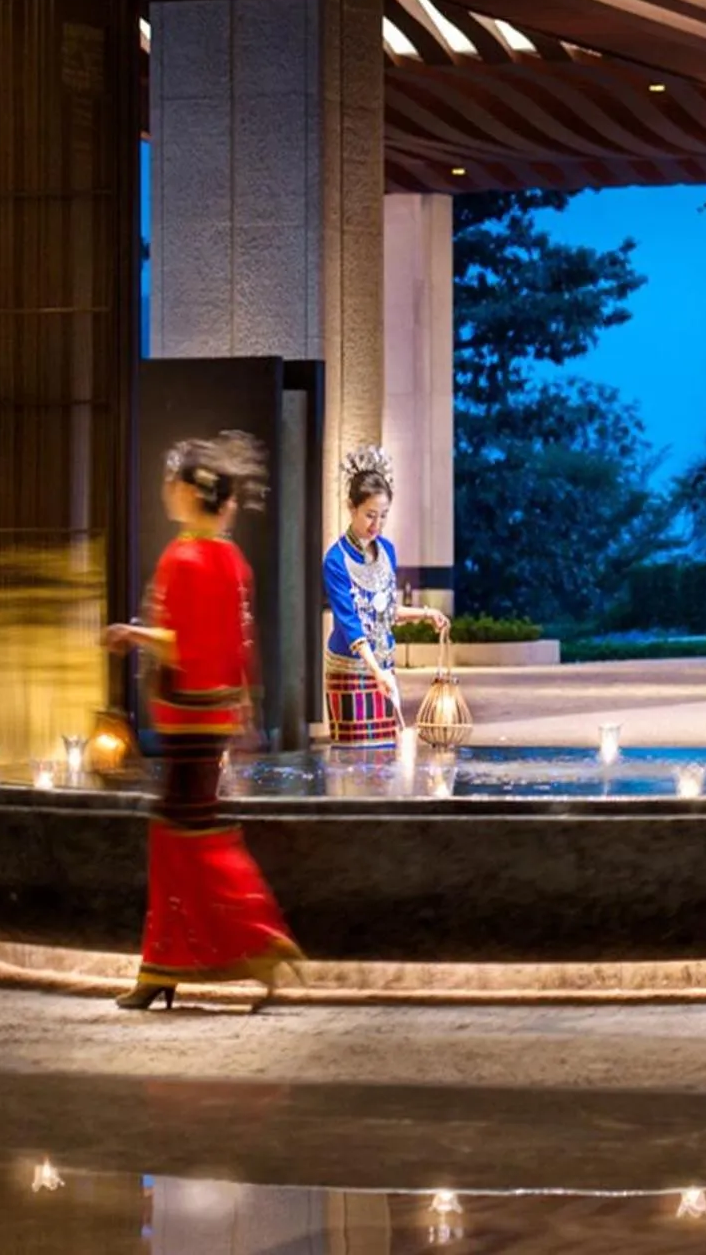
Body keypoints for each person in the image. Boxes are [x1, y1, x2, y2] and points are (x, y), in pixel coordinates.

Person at [103, 432, 299, 1012]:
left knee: (188, 839)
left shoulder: (182, 558)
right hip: (212, 722)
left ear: (191, 492)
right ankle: (165, 964)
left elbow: (176, 645)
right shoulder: (233, 563)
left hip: (184, 723)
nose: (167, 489)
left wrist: (131, 633)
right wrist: (245, 718)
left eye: (173, 481)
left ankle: (256, 935)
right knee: (181, 836)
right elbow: (240, 652)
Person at [321, 445, 448, 747]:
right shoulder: (335, 560)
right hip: (351, 667)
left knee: (387, 755)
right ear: (351, 508)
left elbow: (386, 610)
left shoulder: (387, 551)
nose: (376, 525)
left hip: (383, 667)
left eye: (383, 516)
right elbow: (351, 623)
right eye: (370, 515)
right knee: (355, 758)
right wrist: (377, 671)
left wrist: (426, 613)